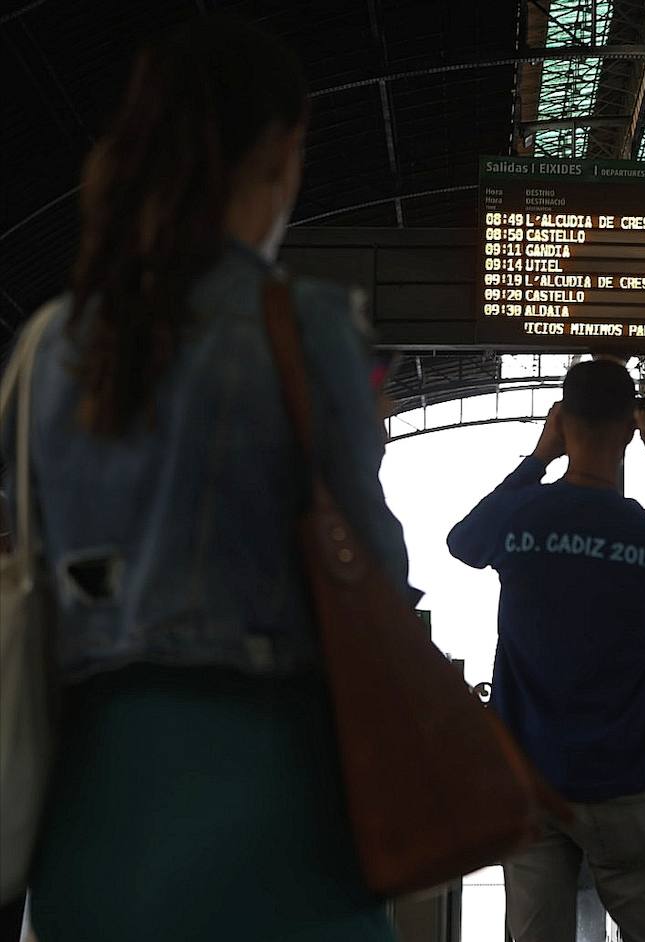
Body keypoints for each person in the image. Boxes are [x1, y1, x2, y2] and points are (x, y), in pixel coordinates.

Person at [0, 19, 412, 941]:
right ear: (280, 154)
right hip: (277, 814)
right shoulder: (303, 330)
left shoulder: (48, 349)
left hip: (89, 828)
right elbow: (375, 566)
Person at [447, 359, 645, 942]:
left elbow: (462, 541)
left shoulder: (521, 518)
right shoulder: (643, 535)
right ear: (630, 428)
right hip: (623, 779)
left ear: (561, 420)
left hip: (532, 782)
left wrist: (538, 458)